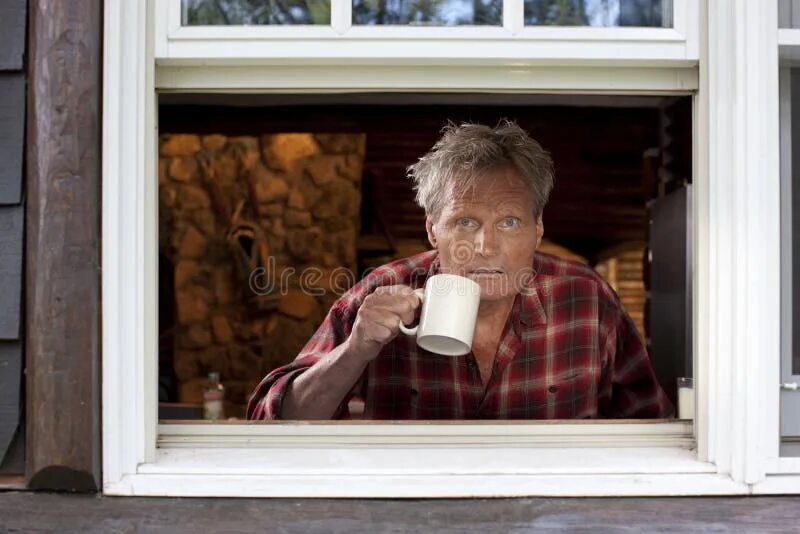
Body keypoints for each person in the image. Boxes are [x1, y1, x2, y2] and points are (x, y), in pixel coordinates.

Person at [247, 120, 674, 420]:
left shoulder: (586, 297)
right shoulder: (382, 291)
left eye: (509, 222)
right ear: (433, 229)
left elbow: (655, 424)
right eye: (465, 222)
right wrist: (354, 351)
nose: (486, 247)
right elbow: (272, 420)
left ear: (538, 228)